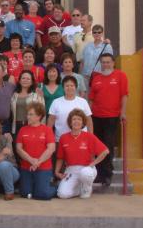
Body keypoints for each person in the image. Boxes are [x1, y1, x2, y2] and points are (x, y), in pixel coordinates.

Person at [89, 53, 128, 186]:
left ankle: (107, 175)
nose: (105, 64)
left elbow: (124, 95)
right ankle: (99, 174)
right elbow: (91, 99)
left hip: (112, 117)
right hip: (96, 116)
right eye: (103, 62)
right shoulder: (96, 78)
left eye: (108, 62)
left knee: (108, 145)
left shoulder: (120, 76)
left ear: (113, 63)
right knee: (97, 146)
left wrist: (123, 113)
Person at [56, 109, 109, 199]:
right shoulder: (63, 138)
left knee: (85, 173)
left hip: (87, 168)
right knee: (62, 194)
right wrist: (57, 172)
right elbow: (60, 157)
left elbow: (105, 151)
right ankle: (78, 188)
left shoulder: (89, 136)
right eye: (74, 119)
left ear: (83, 122)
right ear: (70, 122)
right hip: (71, 170)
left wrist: (92, 164)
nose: (76, 122)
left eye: (79, 119)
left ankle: (86, 188)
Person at [16, 102, 57, 200]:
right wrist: (31, 160)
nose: (28, 116)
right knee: (26, 194)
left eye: (31, 114)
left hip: (43, 167)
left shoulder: (47, 130)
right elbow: (18, 148)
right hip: (26, 167)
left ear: (39, 116)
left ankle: (55, 187)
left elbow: (51, 148)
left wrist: (38, 162)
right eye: (28, 114)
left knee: (43, 195)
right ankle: (37, 188)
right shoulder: (23, 130)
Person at [48, 76, 93, 143]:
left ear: (76, 87)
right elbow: (50, 122)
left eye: (72, 85)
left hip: (81, 139)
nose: (69, 88)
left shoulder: (83, 101)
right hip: (60, 139)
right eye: (67, 86)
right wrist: (49, 139)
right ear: (63, 88)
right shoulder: (56, 102)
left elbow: (89, 122)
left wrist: (90, 138)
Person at [11, 70, 45, 135]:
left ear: (32, 82)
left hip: (32, 125)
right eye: (23, 78)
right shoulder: (13, 95)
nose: (25, 80)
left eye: (28, 79)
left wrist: (41, 128)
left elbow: (43, 113)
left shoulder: (37, 95)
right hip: (16, 126)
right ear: (19, 80)